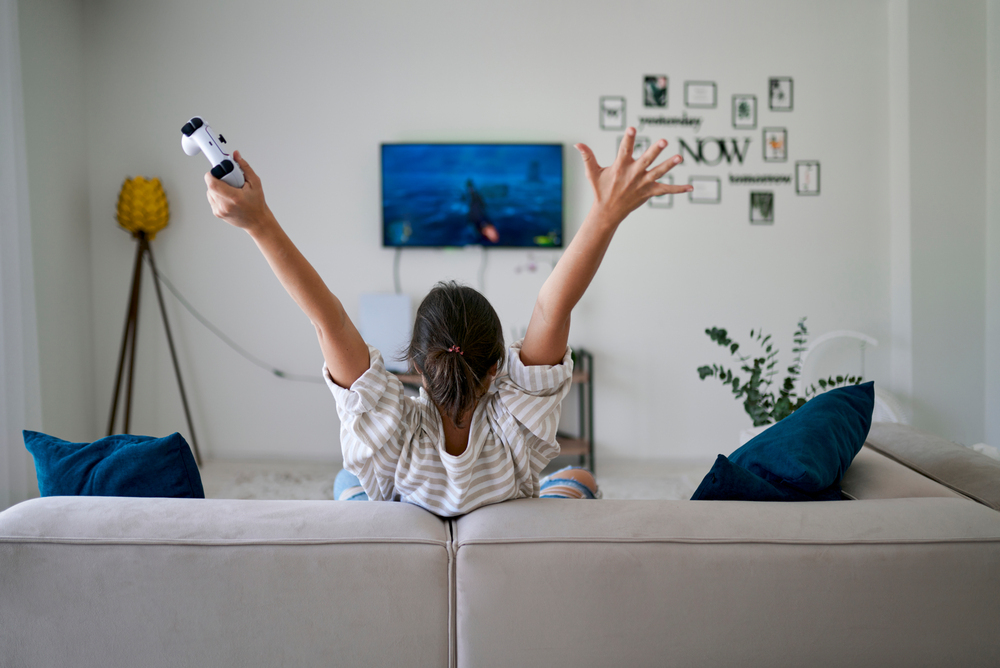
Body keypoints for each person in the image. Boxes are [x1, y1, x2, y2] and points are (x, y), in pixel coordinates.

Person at [203, 127, 691, 517]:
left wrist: (259, 223)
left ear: (416, 363)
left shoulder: (390, 437)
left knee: (348, 479)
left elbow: (328, 321)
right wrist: (604, 215)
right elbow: (552, 308)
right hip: (503, 509)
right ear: (498, 367)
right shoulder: (517, 428)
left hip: (407, 513)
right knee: (580, 476)